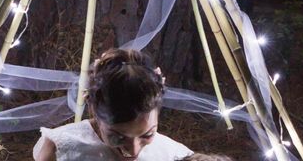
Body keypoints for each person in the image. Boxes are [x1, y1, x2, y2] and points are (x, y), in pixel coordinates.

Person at [33, 48, 193, 161]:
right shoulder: (61, 151)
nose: (134, 150)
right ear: (93, 110)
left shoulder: (173, 154)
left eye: (147, 134)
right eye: (118, 136)